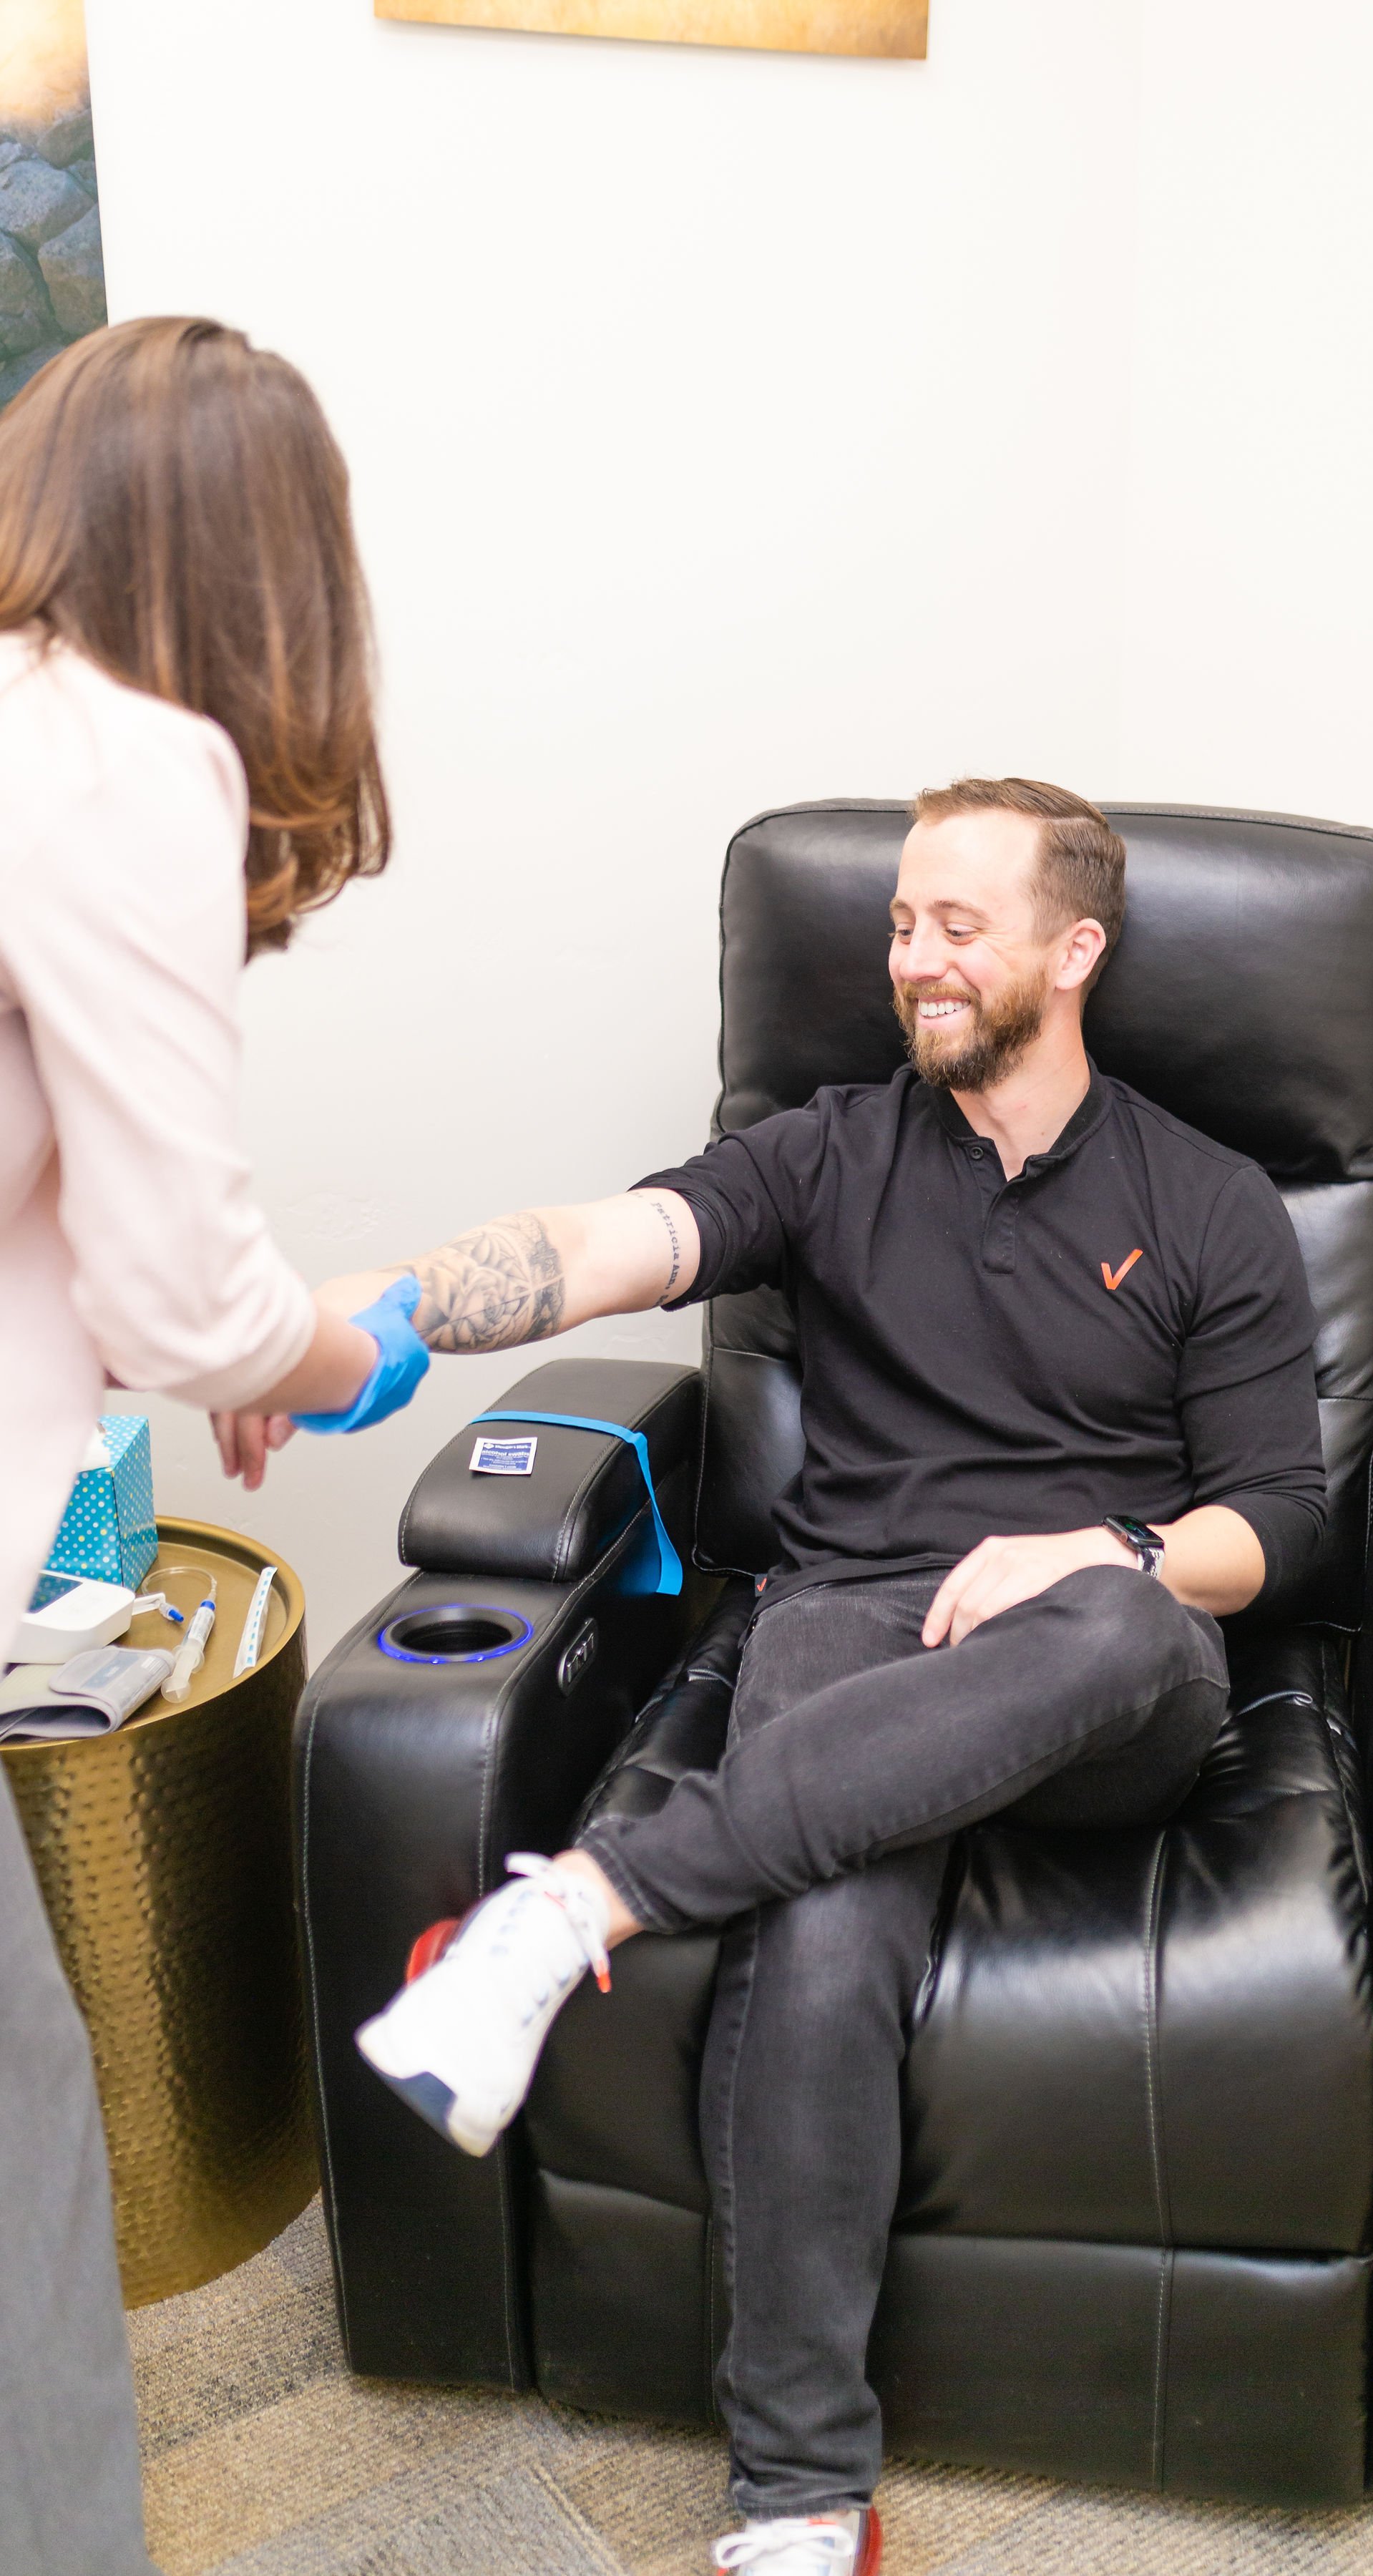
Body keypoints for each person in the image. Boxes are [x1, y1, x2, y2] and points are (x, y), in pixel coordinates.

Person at [225, 776, 1326, 2576]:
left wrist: (1102, 1555)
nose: (914, 959)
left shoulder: (1207, 1202)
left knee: (1130, 1625)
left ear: (1075, 949)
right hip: (856, 1619)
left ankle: (577, 1905)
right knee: (818, 1930)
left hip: (1099, 1664)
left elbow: (1277, 1522)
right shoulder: (829, 1152)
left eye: (958, 925)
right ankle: (801, 2502)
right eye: (899, 923)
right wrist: (382, 1309)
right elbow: (608, 1245)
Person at [0, 317, 428, 2576]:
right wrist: (333, 1351)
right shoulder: (123, 760)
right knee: (19, 2151)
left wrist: (223, 1323)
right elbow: (185, 1292)